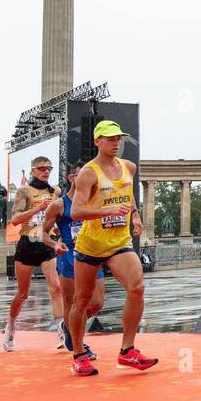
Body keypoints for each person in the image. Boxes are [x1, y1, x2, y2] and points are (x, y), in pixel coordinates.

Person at [68, 121, 157, 376]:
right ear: (97, 141)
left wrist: (136, 215)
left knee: (137, 287)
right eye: (110, 139)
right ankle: (78, 354)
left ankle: (127, 351)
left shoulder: (129, 167)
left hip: (119, 242)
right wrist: (105, 210)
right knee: (83, 299)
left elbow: (127, 195)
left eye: (119, 138)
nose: (116, 143)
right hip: (91, 244)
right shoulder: (89, 172)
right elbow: (76, 210)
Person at [39, 161, 102, 360]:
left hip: (92, 255)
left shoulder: (95, 202)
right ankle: (79, 345)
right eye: (80, 175)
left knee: (97, 303)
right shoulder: (59, 205)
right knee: (72, 303)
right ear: (71, 178)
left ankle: (69, 326)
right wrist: (54, 245)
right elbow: (41, 233)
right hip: (69, 257)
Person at [3, 156, 64, 352]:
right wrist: (38, 208)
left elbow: (58, 216)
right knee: (23, 293)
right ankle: (11, 325)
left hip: (47, 241)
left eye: (49, 168)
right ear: (33, 170)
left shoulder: (56, 191)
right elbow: (15, 219)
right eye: (41, 169)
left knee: (56, 288)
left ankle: (61, 332)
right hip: (28, 242)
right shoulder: (24, 191)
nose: (46, 172)